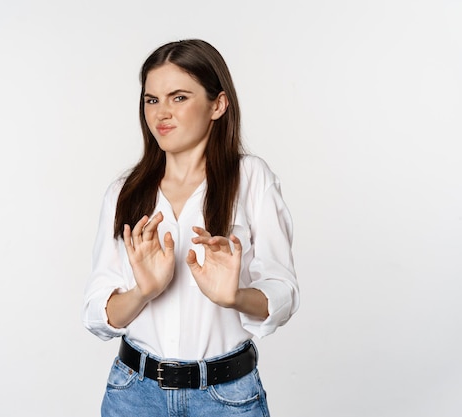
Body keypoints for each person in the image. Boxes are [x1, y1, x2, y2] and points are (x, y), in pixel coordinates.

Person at [82, 39, 299, 417]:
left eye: (178, 97)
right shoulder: (125, 192)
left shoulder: (250, 179)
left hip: (226, 398)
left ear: (218, 104)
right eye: (152, 100)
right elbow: (99, 315)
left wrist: (233, 297)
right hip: (134, 395)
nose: (161, 113)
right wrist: (144, 292)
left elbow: (283, 292)